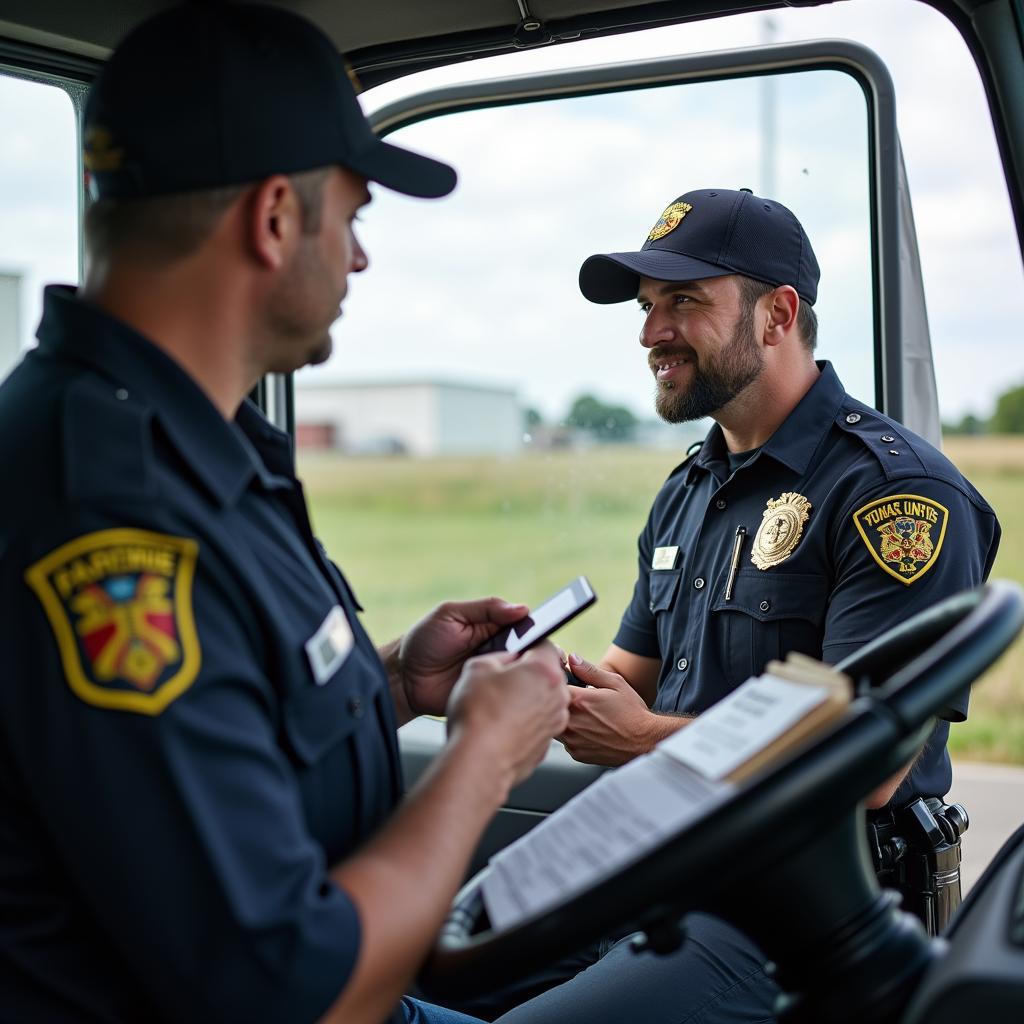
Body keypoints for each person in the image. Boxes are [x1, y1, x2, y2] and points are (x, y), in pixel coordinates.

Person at [0, 5, 570, 1023]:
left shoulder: (178, 441)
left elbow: (209, 753)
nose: (359, 260)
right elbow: (285, 994)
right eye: (351, 218)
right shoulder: (110, 515)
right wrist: (486, 756)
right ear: (273, 220)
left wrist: (394, 681)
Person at [484, 189, 1000, 1024]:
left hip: (798, 913)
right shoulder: (690, 488)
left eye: (683, 302)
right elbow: (636, 676)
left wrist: (646, 741)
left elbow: (867, 770)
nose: (651, 333)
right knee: (401, 982)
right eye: (650, 307)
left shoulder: (895, 495)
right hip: (664, 865)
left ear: (778, 314)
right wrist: (550, 680)